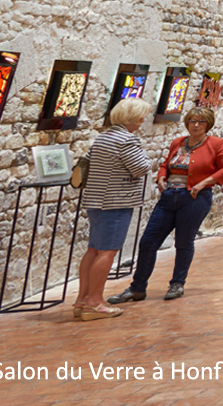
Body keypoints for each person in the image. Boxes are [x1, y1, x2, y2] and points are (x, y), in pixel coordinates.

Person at [107, 105, 223, 304]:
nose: (196, 125)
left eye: (201, 121)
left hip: (194, 198)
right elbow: (166, 164)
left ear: (208, 124)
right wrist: (161, 177)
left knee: (183, 242)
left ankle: (177, 283)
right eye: (192, 121)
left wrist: (204, 183)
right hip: (169, 197)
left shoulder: (216, 144)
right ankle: (137, 288)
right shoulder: (178, 142)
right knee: (148, 241)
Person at [71, 98, 153, 320]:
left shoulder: (103, 137)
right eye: (140, 116)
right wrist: (147, 157)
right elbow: (141, 167)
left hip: (96, 201)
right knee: (107, 251)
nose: (142, 121)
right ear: (132, 117)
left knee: (94, 249)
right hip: (115, 201)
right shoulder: (126, 140)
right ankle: (95, 302)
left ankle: (82, 299)